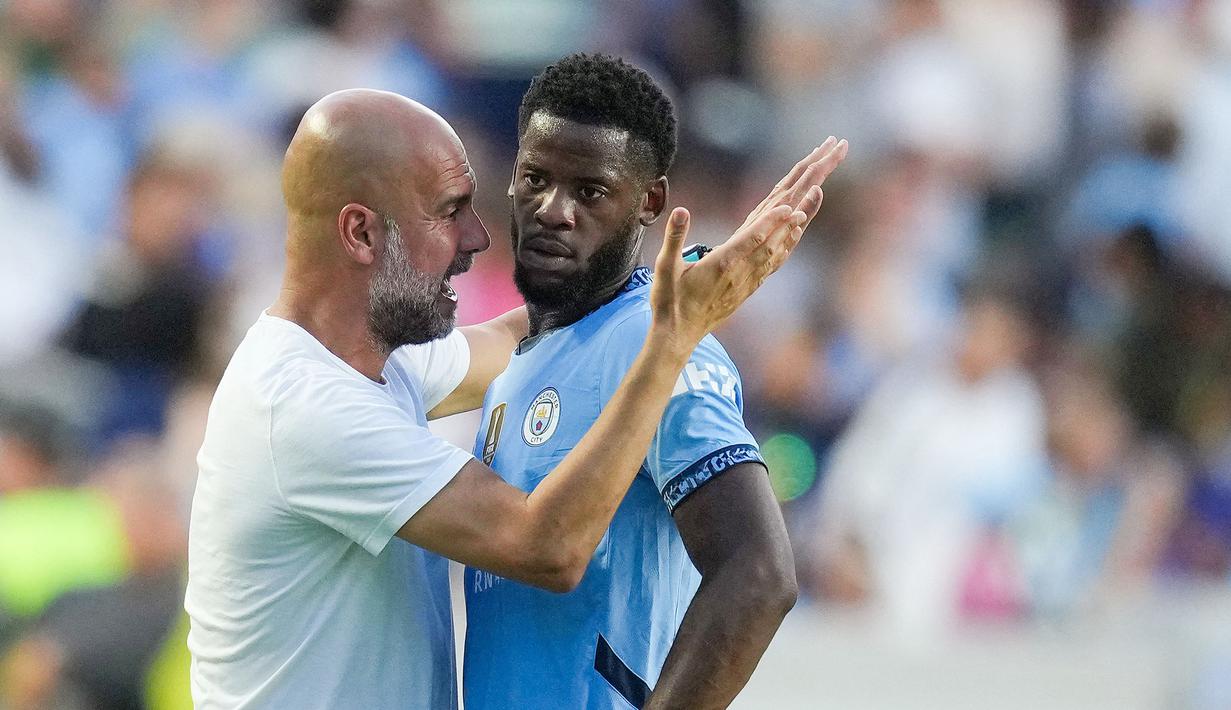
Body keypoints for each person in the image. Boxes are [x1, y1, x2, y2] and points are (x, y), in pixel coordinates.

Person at [184, 87, 836, 709]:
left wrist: (663, 283)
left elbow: (513, 336)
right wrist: (671, 338)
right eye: (448, 212)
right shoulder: (304, 407)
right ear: (361, 233)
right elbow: (545, 545)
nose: (478, 238)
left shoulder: (374, 361)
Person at [462, 54, 848, 710]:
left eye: (590, 191)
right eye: (535, 179)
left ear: (649, 202)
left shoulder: (657, 343)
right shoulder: (522, 356)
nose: (553, 210)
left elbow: (758, 573)